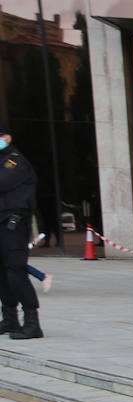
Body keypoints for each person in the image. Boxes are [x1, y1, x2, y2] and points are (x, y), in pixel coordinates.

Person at [0, 121, 43, 340]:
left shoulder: (14, 161)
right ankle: (9, 320)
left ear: (6, 138)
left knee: (15, 271)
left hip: (13, 224)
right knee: (2, 273)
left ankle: (32, 323)